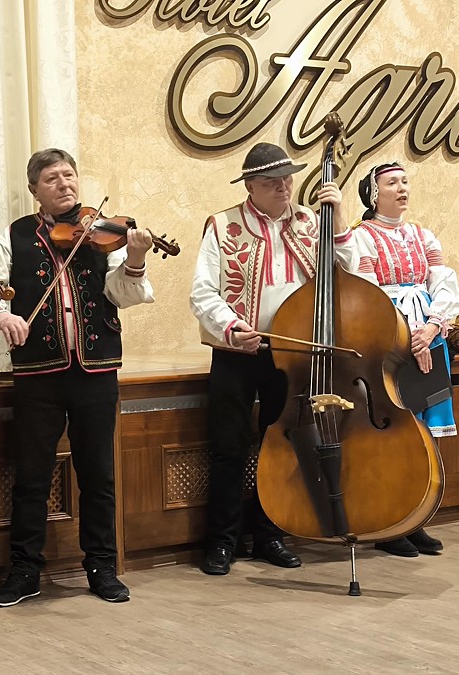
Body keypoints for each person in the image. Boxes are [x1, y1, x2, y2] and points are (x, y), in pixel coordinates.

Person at [0, 148, 154, 607]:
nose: (64, 184)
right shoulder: (14, 236)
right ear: (35, 190)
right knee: (32, 476)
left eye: (69, 175)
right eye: (52, 178)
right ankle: (25, 571)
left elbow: (124, 295)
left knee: (98, 474)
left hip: (96, 371)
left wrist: (136, 258)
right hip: (38, 374)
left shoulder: (105, 233)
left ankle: (102, 567)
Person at [191, 142, 360, 576]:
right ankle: (223, 542)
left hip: (295, 352)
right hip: (237, 352)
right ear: (250, 186)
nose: (284, 188)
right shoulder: (223, 225)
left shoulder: (312, 221)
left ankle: (270, 536)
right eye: (271, 182)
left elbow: (352, 270)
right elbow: (203, 292)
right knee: (229, 447)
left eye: (287, 179)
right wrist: (232, 328)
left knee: (282, 446)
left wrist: (339, 218)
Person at [351, 162, 459, 557]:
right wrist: (405, 335)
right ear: (373, 193)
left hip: (428, 336)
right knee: (395, 432)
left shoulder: (422, 235)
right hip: (388, 340)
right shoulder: (362, 237)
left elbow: (443, 285)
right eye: (392, 183)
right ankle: (389, 523)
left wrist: (431, 328)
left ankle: (416, 520)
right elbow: (367, 294)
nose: (402, 188)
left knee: (425, 432)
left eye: (404, 181)